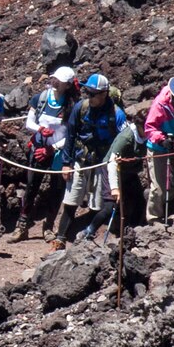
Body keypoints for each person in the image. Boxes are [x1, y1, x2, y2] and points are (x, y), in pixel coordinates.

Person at [54, 73, 127, 251]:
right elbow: (70, 136)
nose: (89, 96)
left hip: (102, 164)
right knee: (71, 200)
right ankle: (60, 239)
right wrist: (66, 162)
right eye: (87, 92)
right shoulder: (82, 107)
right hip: (80, 159)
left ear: (104, 94)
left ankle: (87, 239)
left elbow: (123, 139)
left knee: (97, 204)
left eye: (93, 93)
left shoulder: (117, 115)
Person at [10, 66, 78, 242]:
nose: (54, 81)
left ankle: (48, 227)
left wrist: (53, 148)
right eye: (54, 78)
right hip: (39, 149)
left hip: (58, 153)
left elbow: (72, 134)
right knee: (31, 187)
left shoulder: (72, 106)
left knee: (56, 190)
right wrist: (40, 129)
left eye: (59, 80)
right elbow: (29, 123)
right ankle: (22, 226)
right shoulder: (40, 99)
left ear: (68, 85)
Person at [78, 103, 149, 240]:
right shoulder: (126, 138)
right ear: (140, 126)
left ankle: (131, 233)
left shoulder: (147, 135)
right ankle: (88, 231)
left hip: (129, 172)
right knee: (110, 206)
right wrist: (115, 188)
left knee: (139, 201)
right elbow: (111, 162)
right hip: (112, 170)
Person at [144, 74, 174, 223]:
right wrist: (162, 140)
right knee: (158, 188)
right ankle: (153, 219)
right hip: (159, 147)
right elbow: (150, 128)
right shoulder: (161, 103)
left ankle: (164, 200)